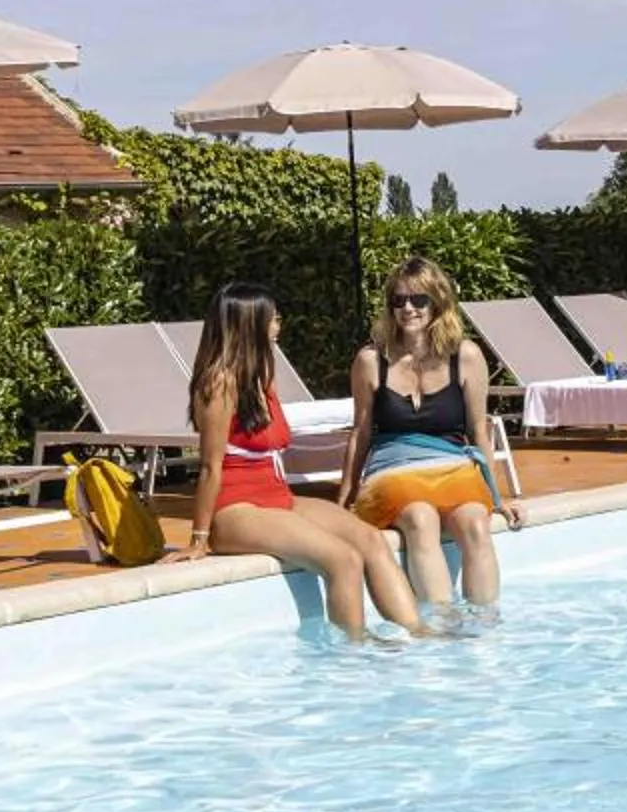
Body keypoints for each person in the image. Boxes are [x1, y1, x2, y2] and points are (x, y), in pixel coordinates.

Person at [162, 282, 433, 641]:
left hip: (276, 498)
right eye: (273, 320)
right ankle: (355, 652)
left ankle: (419, 635)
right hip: (235, 509)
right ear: (250, 325)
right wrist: (198, 539)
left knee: (370, 540)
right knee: (343, 560)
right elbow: (210, 467)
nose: (279, 327)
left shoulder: (261, 376)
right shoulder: (219, 383)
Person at [341, 256, 524, 613]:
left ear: (438, 302)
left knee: (474, 521)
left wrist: (497, 499)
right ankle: (440, 625)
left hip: (452, 466)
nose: (407, 308)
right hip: (392, 470)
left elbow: (477, 431)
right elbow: (360, 433)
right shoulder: (370, 360)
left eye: (418, 299)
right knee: (420, 517)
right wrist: (345, 499)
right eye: (398, 300)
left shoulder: (466, 356)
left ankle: (485, 630)